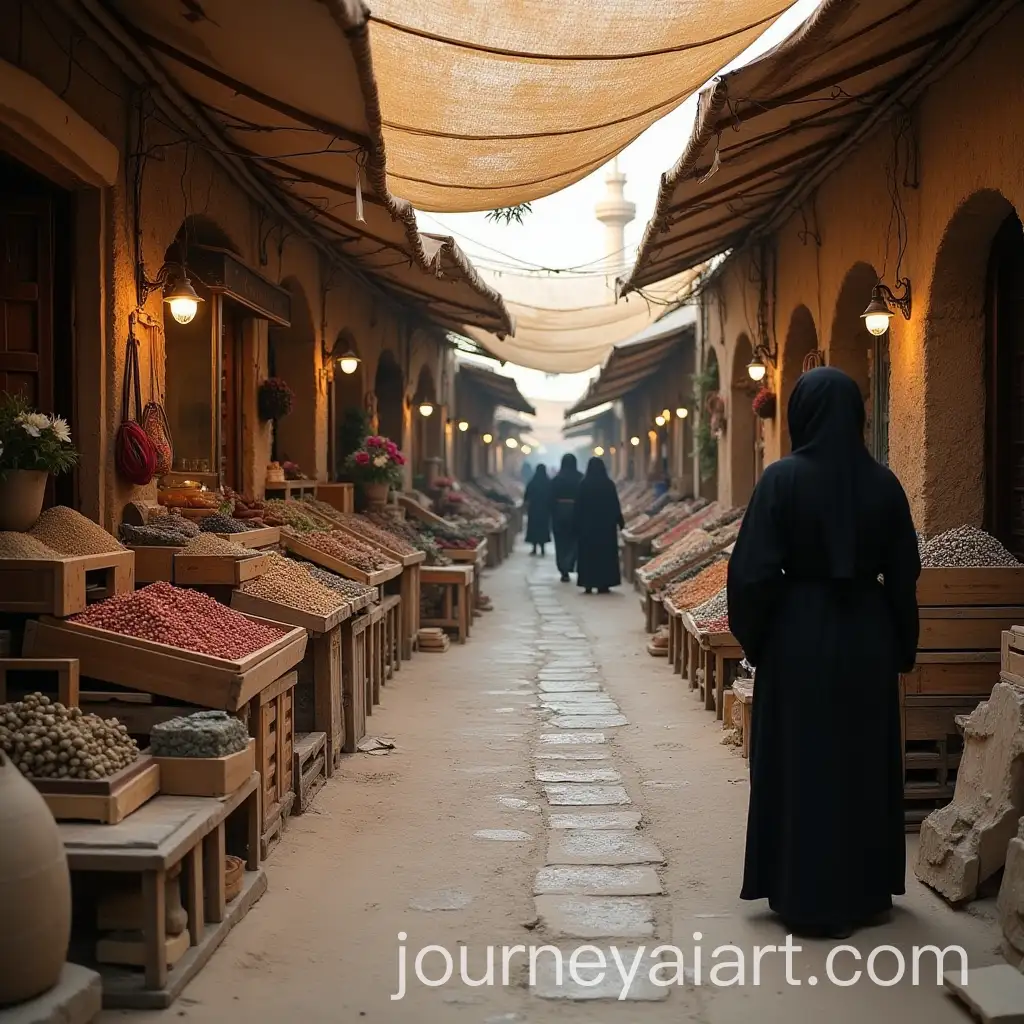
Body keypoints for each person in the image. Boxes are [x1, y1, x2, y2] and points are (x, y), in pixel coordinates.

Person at [727, 367, 919, 939]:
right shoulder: (884, 484)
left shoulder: (780, 480)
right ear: (858, 417)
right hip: (867, 637)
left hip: (797, 640)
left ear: (800, 415)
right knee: (860, 763)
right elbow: (905, 575)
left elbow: (753, 573)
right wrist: (901, 646)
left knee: (801, 763)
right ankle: (863, 890)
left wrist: (758, 640)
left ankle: (802, 889)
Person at [574, 457, 624, 593]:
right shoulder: (608, 484)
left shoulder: (583, 484)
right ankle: (604, 583)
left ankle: (588, 582)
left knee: (588, 556)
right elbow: (615, 505)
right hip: (605, 528)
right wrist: (620, 522)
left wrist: (575, 525)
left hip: (587, 528)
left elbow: (578, 507)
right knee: (604, 556)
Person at [549, 453, 584, 582]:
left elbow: (550, 499)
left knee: (560, 543)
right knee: (574, 541)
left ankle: (563, 568)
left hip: (559, 514)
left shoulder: (556, 479)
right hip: (576, 513)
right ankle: (569, 563)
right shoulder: (581, 478)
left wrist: (552, 514)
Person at [524, 463, 552, 556]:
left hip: (534, 509)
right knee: (543, 528)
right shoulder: (548, 482)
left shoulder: (533, 482)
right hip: (545, 509)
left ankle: (534, 548)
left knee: (534, 528)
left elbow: (527, 495)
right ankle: (543, 548)